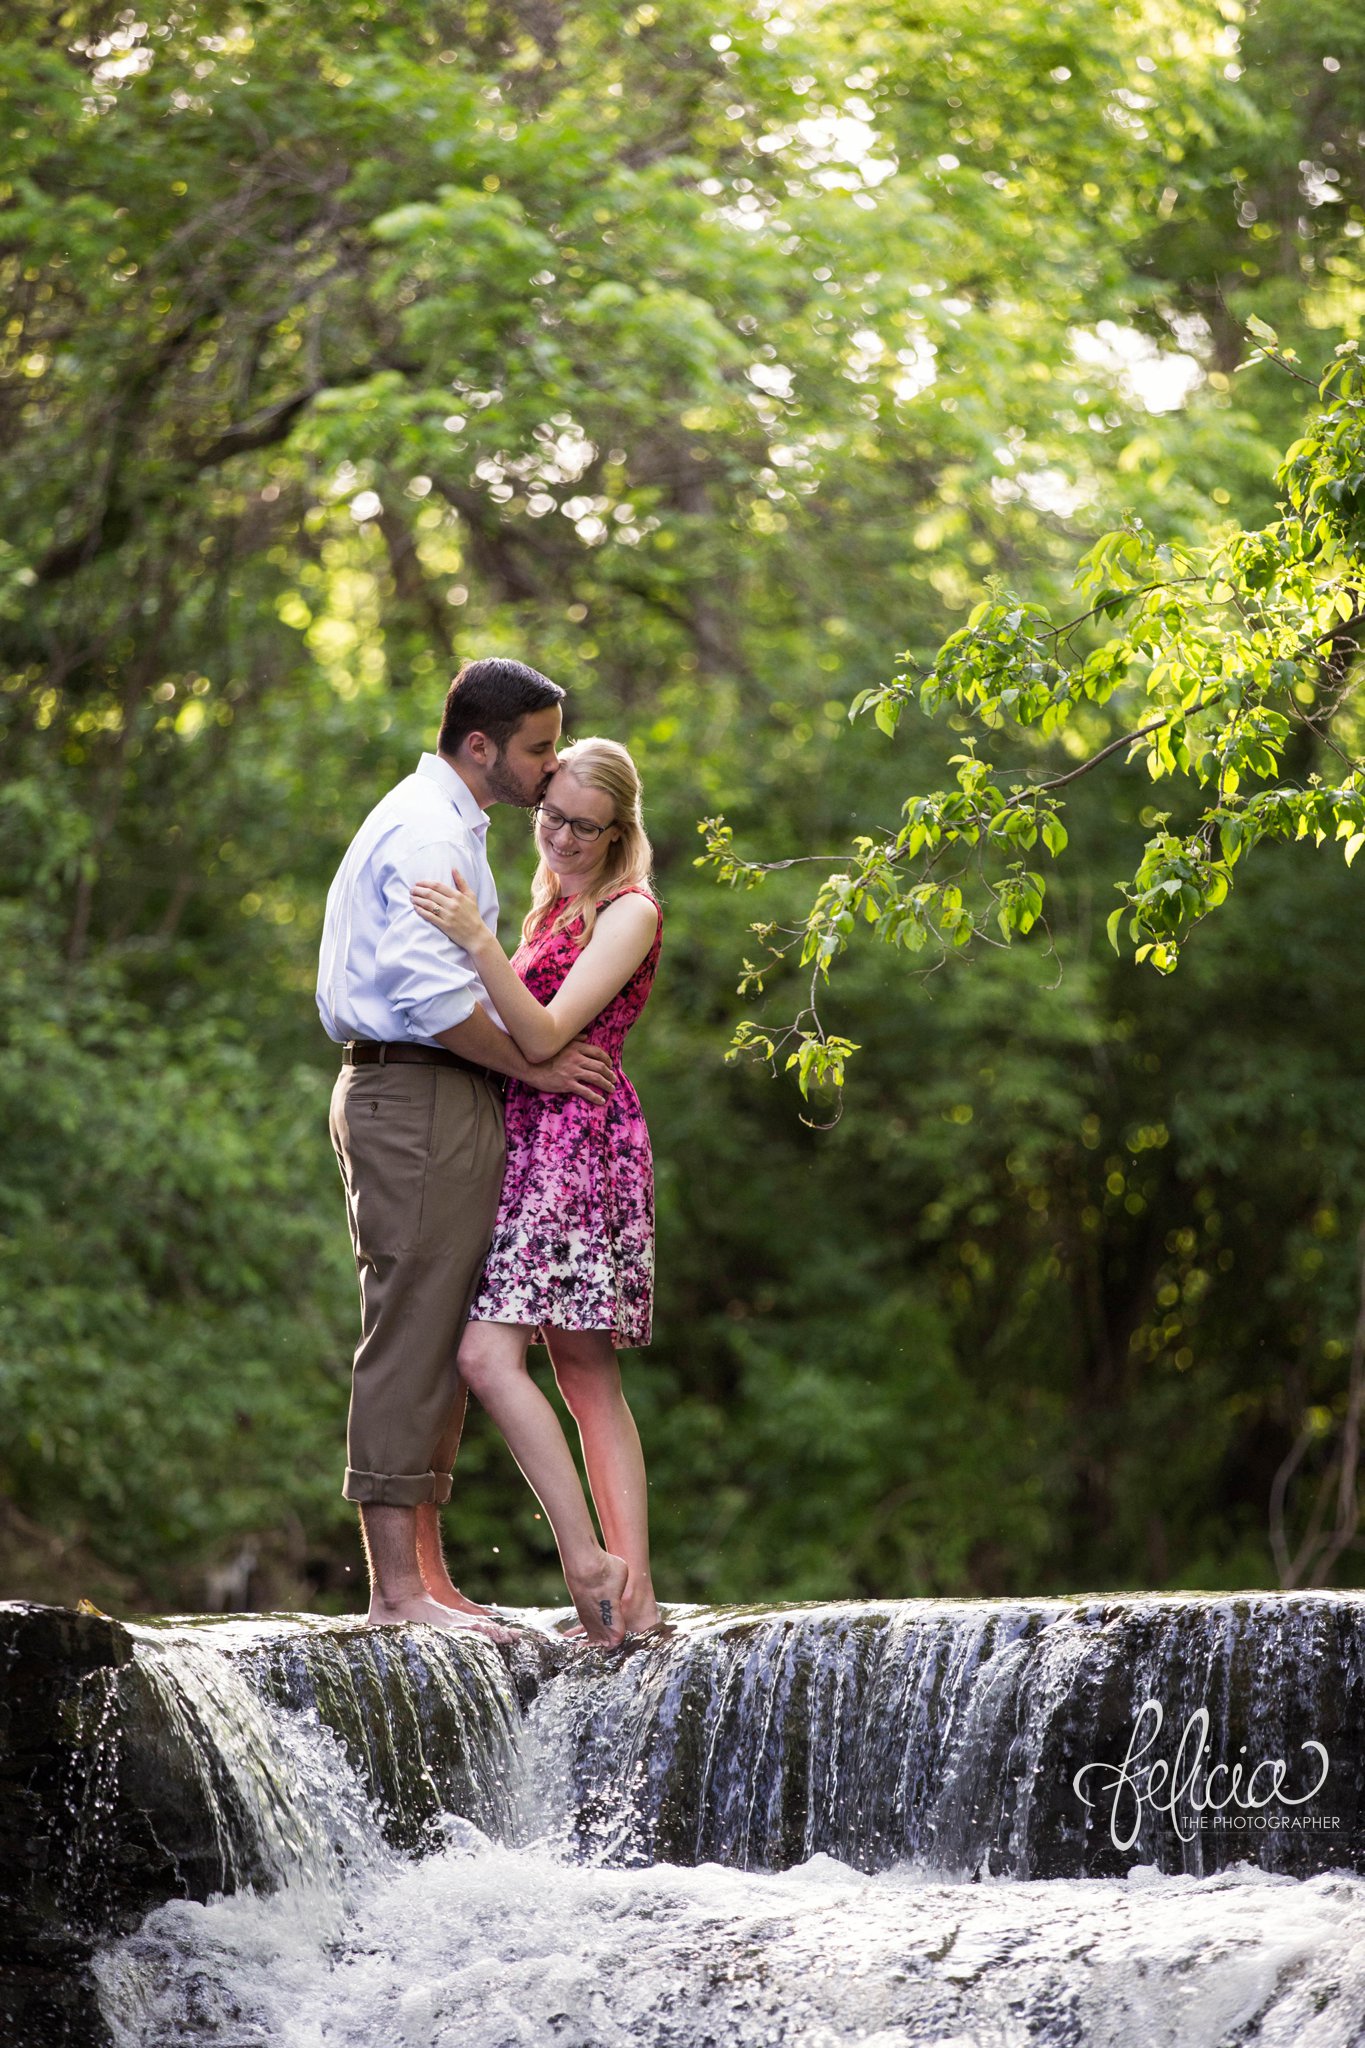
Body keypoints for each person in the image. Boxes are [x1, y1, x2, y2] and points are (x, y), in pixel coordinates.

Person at [317, 658, 627, 1643]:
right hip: (412, 1086)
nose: (548, 768)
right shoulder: (424, 828)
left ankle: (431, 1578)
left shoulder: (453, 825)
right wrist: (533, 1069)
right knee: (409, 1323)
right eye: (539, 747)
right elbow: (432, 998)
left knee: (444, 1329)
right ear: (482, 744)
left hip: (440, 1092)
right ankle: (395, 1592)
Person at [410, 736, 663, 1637]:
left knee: (498, 1359)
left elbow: (547, 1035)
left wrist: (476, 942)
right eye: (551, 815)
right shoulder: (555, 906)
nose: (559, 836)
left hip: (575, 1147)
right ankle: (630, 1603)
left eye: (584, 827)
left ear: (617, 831)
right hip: (527, 1136)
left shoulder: (628, 911)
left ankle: (602, 1573)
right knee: (583, 1372)